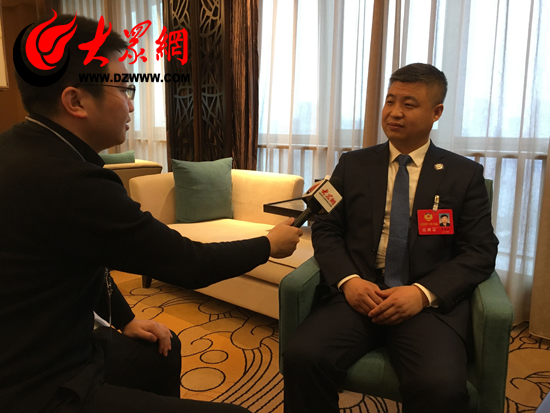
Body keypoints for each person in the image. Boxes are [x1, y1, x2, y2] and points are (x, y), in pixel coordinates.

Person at [0, 14, 302, 413]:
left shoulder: (21, 146)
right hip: (40, 383)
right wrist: (268, 244)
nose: (130, 104)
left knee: (163, 348)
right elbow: (188, 262)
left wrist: (125, 319)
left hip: (50, 345)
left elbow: (82, 256)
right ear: (75, 101)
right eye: (124, 88)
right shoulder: (72, 181)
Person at [282, 63, 498, 413]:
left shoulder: (463, 174)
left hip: (424, 305)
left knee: (440, 388)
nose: (394, 112)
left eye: (409, 104)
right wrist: (349, 281)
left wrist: (422, 293)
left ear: (436, 112)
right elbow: (327, 228)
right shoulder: (352, 165)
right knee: (302, 357)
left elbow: (480, 250)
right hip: (359, 293)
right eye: (390, 101)